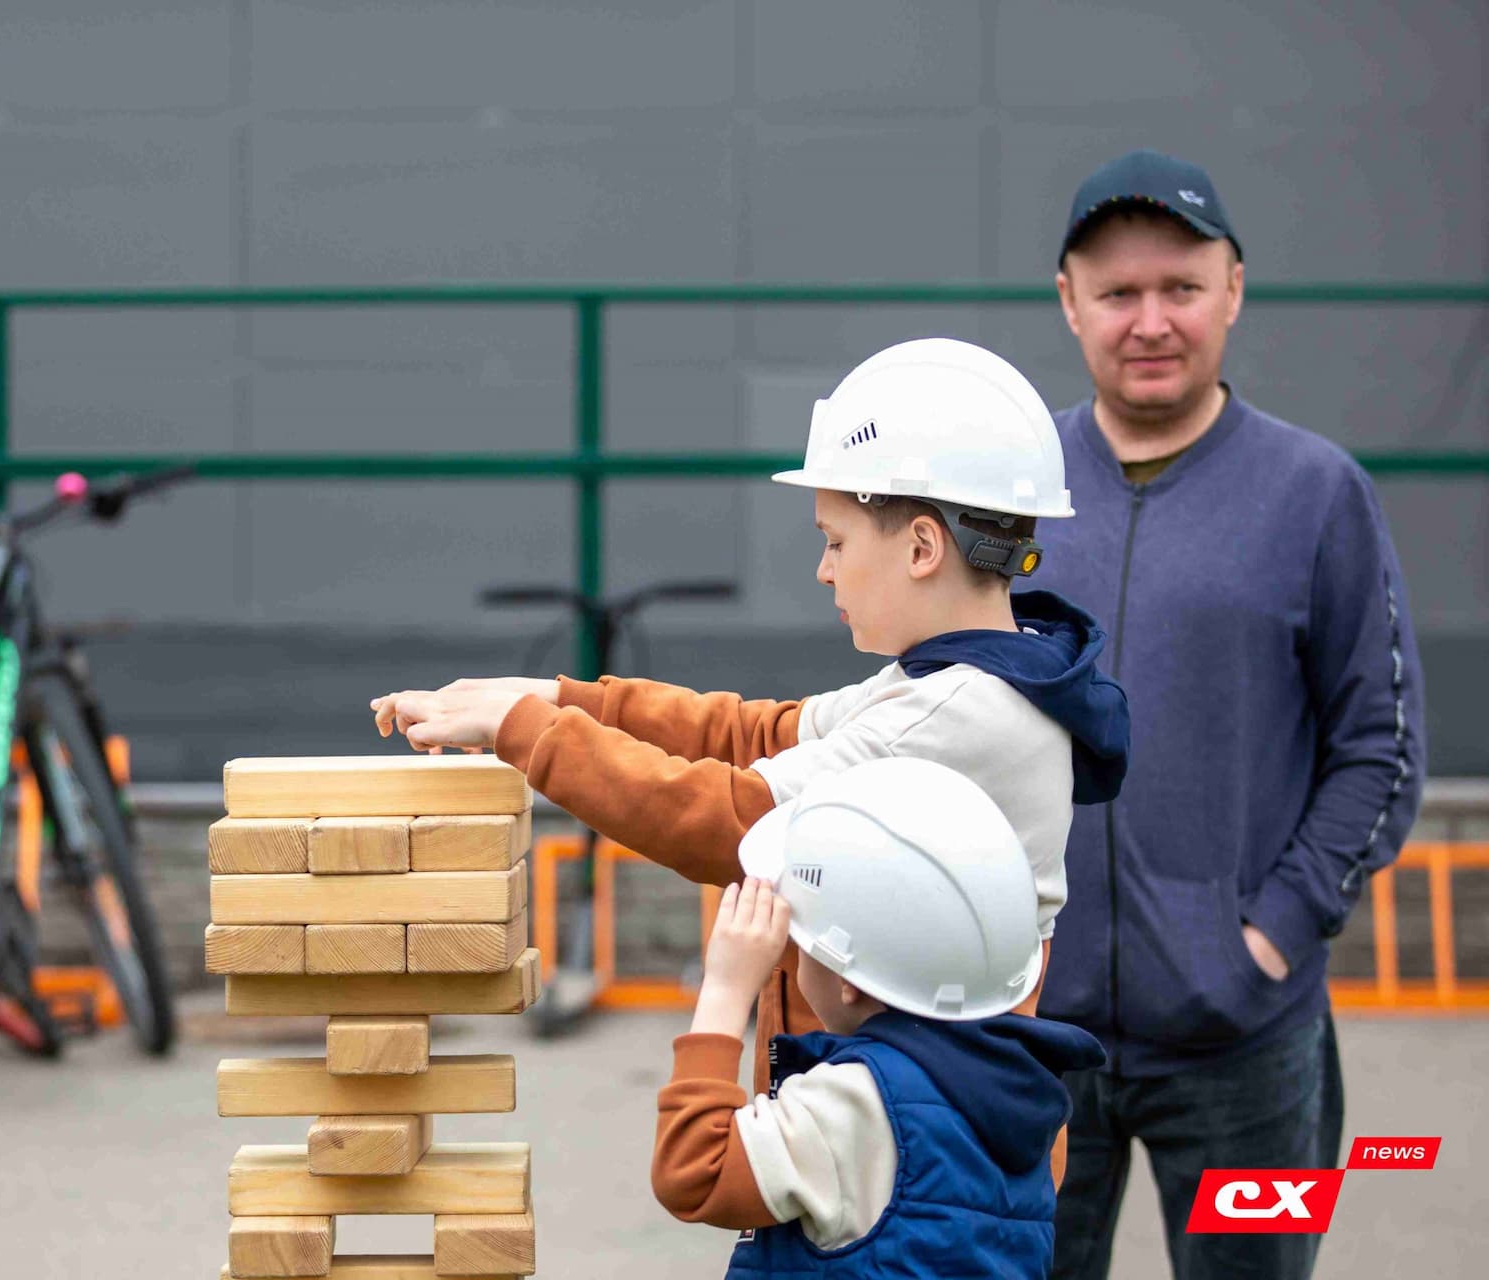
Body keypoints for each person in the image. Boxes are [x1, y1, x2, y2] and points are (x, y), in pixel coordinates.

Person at [372, 337, 1130, 1098]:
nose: (824, 568)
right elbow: (760, 735)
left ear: (924, 546)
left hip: (906, 1141)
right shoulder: (970, 677)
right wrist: (559, 698)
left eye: (835, 541)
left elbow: (732, 818)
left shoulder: (951, 714)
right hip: (904, 1111)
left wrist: (528, 732)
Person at [1033, 149, 1427, 1280]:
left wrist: (1266, 935)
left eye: (1181, 287)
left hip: (1250, 1043)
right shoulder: (1007, 492)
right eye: (1116, 292)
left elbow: (1380, 749)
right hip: (1030, 1044)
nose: (1150, 321)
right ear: (1069, 301)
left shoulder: (1317, 492)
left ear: (1234, 289)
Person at [651, 760, 1106, 1277]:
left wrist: (727, 989)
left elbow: (695, 1175)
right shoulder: (1031, 1098)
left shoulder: (854, 1105)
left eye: (803, 945)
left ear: (850, 980)